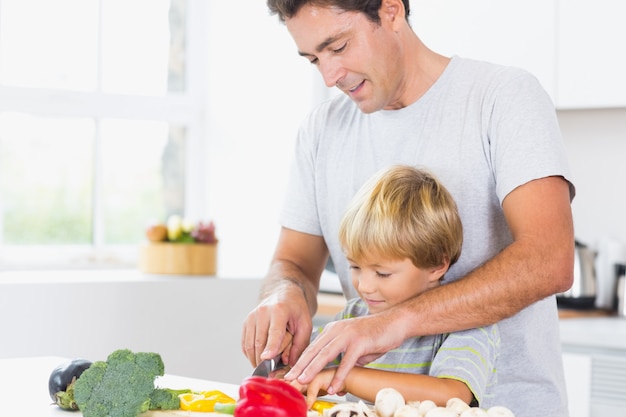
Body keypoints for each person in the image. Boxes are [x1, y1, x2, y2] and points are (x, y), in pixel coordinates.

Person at [241, 1, 575, 416]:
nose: (330, 76)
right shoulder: (321, 130)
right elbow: (293, 262)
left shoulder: (502, 97)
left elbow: (550, 260)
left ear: (391, 11)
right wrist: (283, 294)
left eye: (339, 47)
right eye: (313, 59)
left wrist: (391, 324)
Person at [293, 164, 499, 409]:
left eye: (383, 273)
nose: (365, 286)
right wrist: (288, 361)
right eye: (355, 267)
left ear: (436, 265)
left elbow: (453, 395)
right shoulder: (353, 316)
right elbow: (306, 366)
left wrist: (346, 377)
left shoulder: (466, 323)